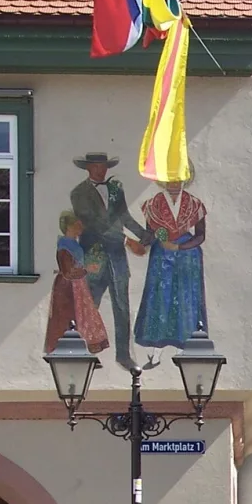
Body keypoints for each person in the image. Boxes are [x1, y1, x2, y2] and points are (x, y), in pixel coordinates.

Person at [69, 152, 151, 371]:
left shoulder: (115, 189)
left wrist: (144, 235)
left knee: (122, 306)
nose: (100, 170)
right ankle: (81, 350)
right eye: (96, 167)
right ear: (88, 168)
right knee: (90, 304)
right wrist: (129, 241)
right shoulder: (78, 193)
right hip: (94, 256)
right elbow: (94, 225)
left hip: (117, 257)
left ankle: (123, 355)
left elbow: (123, 216)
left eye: (103, 166)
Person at [131, 178, 208, 351]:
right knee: (159, 296)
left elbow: (200, 235)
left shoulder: (195, 204)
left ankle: (186, 343)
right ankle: (155, 345)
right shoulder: (153, 205)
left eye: (177, 181)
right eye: (170, 181)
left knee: (185, 297)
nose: (174, 185)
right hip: (162, 256)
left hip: (187, 257)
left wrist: (180, 246)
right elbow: (150, 234)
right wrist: (140, 244)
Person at [44, 211, 111, 356]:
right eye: (77, 226)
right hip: (67, 288)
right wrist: (86, 269)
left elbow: (76, 265)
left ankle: (84, 348)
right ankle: (67, 350)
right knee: (70, 316)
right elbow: (68, 272)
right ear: (69, 227)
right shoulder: (64, 247)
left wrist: (88, 266)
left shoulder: (73, 244)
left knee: (83, 315)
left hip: (77, 285)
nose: (80, 229)